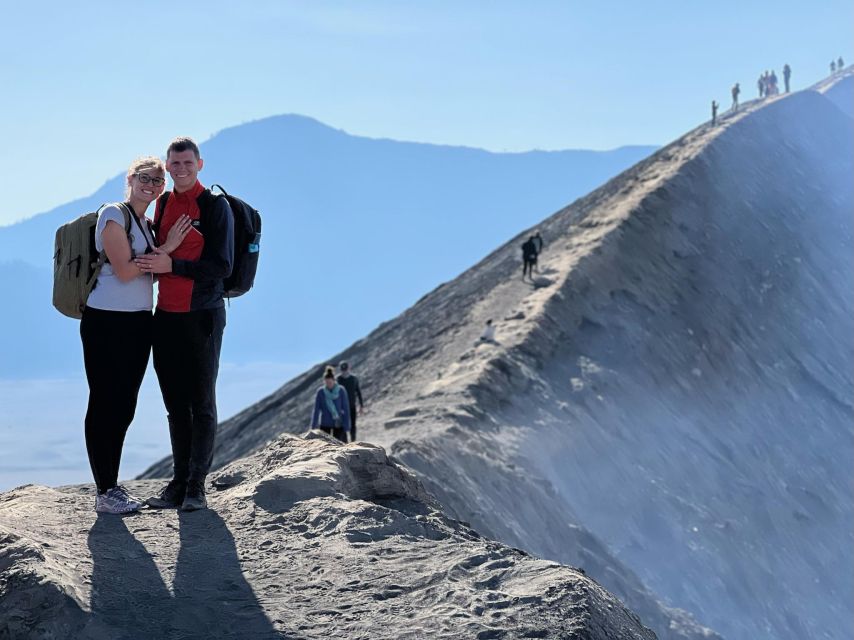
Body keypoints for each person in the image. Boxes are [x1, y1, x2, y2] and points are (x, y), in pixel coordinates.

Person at [81, 157, 191, 514]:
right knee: (104, 403)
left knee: (124, 405)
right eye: (145, 178)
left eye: (158, 181)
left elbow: (148, 273)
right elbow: (128, 273)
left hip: (138, 322)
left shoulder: (145, 223)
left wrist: (161, 257)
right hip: (106, 322)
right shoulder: (114, 214)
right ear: (130, 178)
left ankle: (111, 488)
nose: (152, 185)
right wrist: (168, 251)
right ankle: (104, 491)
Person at [137, 137, 235, 512]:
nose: (180, 169)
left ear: (200, 164)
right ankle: (178, 484)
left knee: (202, 403)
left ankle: (197, 487)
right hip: (166, 318)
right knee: (175, 404)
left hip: (203, 316)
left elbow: (221, 267)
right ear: (168, 165)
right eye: (174, 164)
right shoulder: (162, 205)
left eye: (187, 163)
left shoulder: (214, 207)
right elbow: (152, 257)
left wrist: (172, 265)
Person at [312, 367, 351, 443]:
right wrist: (313, 426)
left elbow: (346, 409)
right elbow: (316, 410)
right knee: (324, 446)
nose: (328, 384)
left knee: (340, 445)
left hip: (338, 423)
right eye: (326, 382)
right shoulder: (321, 392)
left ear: (334, 380)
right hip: (325, 424)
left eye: (330, 382)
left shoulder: (341, 390)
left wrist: (347, 426)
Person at [336, 361, 364, 443]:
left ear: (349, 368)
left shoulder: (354, 379)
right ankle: (346, 444)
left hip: (352, 406)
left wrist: (361, 406)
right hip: (342, 408)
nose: (344, 371)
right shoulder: (338, 380)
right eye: (342, 370)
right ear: (340, 370)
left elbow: (358, 392)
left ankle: (353, 442)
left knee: (353, 425)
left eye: (345, 369)